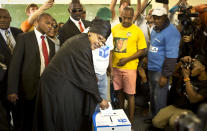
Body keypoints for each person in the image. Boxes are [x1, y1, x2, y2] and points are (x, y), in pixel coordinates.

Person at [33, 18, 111, 131]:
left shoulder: (82, 41)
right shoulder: (82, 45)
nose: (99, 43)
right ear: (90, 33)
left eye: (102, 42)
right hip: (55, 88)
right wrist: (100, 99)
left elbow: (85, 72)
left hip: (60, 85)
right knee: (62, 120)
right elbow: (86, 77)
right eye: (99, 38)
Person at [7, 13, 55, 131]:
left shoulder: (51, 42)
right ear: (36, 23)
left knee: (41, 121)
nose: (51, 26)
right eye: (47, 23)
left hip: (45, 90)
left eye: (52, 24)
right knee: (25, 122)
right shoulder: (24, 38)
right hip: (27, 89)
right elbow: (15, 65)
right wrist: (12, 90)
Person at [112, 6, 147, 124]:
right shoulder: (114, 29)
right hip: (116, 67)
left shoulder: (137, 31)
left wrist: (127, 59)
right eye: (124, 17)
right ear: (120, 15)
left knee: (130, 95)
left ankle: (131, 122)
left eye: (129, 18)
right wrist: (110, 66)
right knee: (119, 93)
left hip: (130, 68)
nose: (126, 20)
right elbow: (111, 49)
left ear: (133, 17)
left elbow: (142, 50)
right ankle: (121, 121)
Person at [152, 55, 207, 129]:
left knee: (174, 121)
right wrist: (181, 62)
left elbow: (193, 99)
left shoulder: (205, 84)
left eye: (193, 66)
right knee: (156, 121)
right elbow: (172, 72)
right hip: (176, 106)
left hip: (190, 111)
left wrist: (186, 78)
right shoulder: (190, 74)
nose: (190, 68)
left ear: (202, 67)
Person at [147, 7, 181, 117]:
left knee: (160, 99)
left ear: (165, 17)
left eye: (159, 18)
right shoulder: (155, 29)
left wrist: (165, 75)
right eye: (155, 18)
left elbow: (172, 56)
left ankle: (158, 124)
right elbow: (153, 47)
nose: (156, 20)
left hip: (161, 71)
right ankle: (153, 118)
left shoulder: (172, 32)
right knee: (152, 96)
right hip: (151, 68)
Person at [0, 8, 22, 131]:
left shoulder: (19, 32)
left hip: (21, 84)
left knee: (21, 116)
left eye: (5, 17)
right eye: (0, 17)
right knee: (4, 119)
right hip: (2, 85)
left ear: (10, 19)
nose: (2, 20)